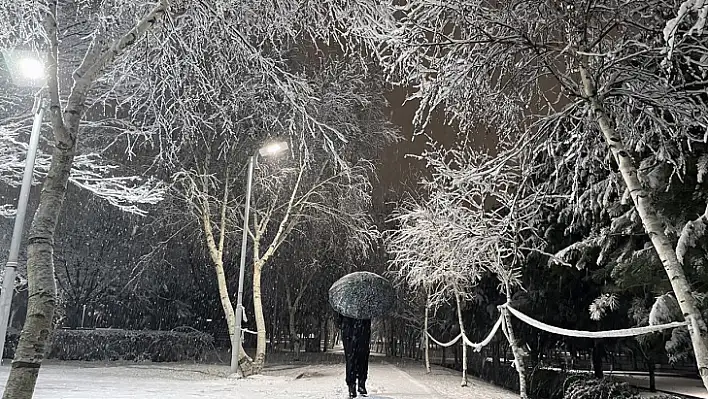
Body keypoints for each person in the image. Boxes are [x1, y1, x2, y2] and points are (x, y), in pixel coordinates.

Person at [336, 313, 371, 398]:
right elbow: (339, 313)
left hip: (362, 328)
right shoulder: (345, 303)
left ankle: (361, 383)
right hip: (349, 329)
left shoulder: (365, 302)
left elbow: (369, 314)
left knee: (362, 357)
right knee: (351, 358)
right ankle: (352, 386)